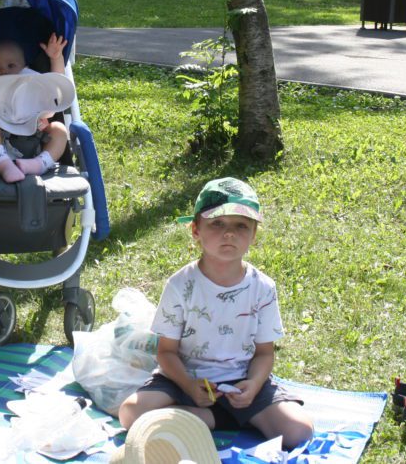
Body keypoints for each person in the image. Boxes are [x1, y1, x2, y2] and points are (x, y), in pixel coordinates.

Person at [118, 178, 314, 450]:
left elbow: (265, 354)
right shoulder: (180, 285)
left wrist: (254, 385)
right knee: (131, 414)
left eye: (241, 226)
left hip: (242, 381)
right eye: (217, 224)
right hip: (184, 378)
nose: (229, 234)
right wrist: (188, 385)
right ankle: (224, 418)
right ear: (196, 230)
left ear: (254, 235)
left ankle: (208, 418)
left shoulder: (263, 288)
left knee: (299, 430)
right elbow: (166, 353)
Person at [0, 33, 71, 183]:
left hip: (35, 143)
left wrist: (56, 58)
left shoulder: (33, 87)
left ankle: (40, 163)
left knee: (59, 129)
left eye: (11, 66)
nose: (3, 71)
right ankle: (5, 165)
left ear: (25, 69)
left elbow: (56, 90)